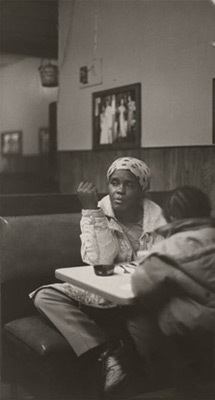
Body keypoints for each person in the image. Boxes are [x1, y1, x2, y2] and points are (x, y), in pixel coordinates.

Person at [30, 157, 166, 395]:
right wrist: (91, 211)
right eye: (114, 183)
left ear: (142, 189)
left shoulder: (157, 217)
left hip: (139, 298)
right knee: (44, 296)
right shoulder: (99, 209)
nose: (119, 191)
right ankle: (107, 352)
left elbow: (162, 262)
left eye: (129, 185)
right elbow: (100, 262)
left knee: (149, 350)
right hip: (102, 293)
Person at [128, 186, 215, 393]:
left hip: (199, 334)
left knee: (137, 318)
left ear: (171, 216)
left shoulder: (167, 249)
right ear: (207, 210)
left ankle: (155, 380)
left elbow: (141, 288)